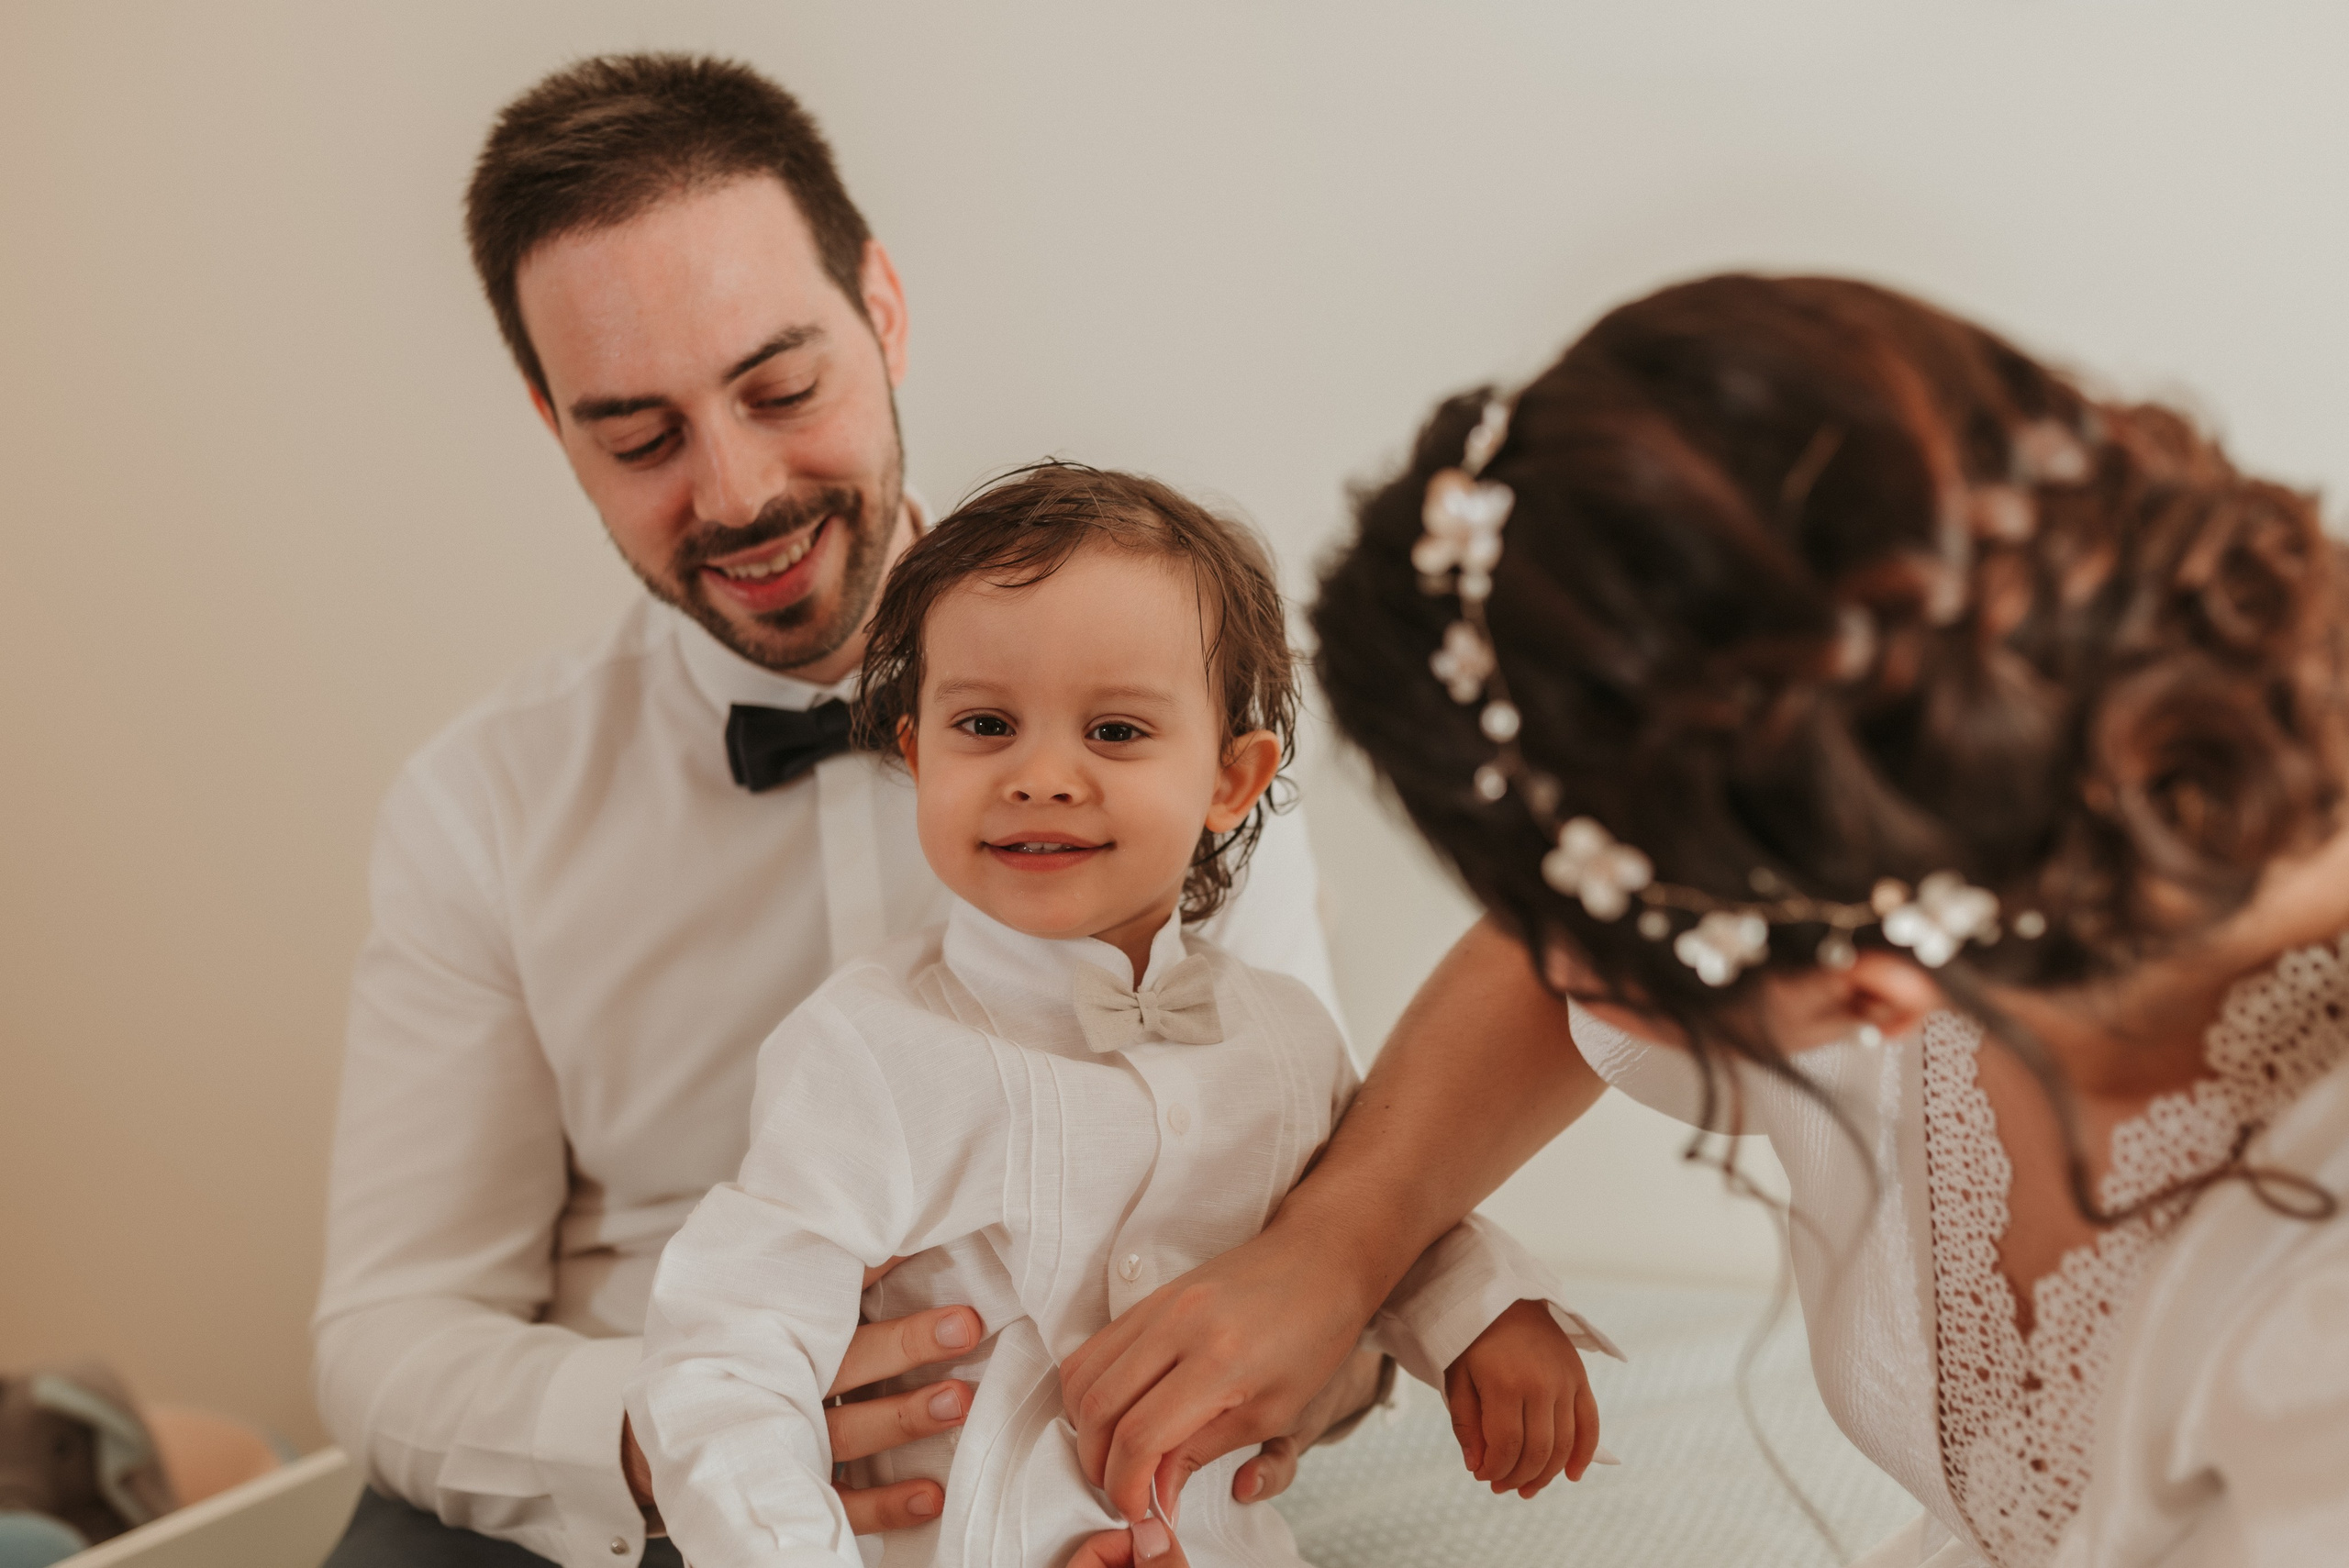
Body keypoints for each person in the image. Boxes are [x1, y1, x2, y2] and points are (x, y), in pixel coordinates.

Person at [1063, 274, 2349, 1567]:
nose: (1546, 966)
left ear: (1860, 967)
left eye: (1575, 923)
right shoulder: (1933, 809)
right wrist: (1337, 1248)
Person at [312, 55, 1375, 1568]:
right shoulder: (479, 804)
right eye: (641, 438)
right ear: (554, 426)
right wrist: (662, 1431)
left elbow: (1306, 1219)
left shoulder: (1168, 718)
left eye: (781, 389)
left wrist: (1256, 1397)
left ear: (882, 307)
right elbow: (391, 1325)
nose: (737, 491)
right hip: (612, 1509)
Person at [626, 462, 1612, 1568]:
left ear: (1231, 780)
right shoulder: (868, 1046)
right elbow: (731, 1347)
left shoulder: (1283, 1035)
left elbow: (1371, 1207)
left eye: (1115, 730)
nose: (1042, 774)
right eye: (986, 723)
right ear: (915, 753)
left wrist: (1490, 1311)